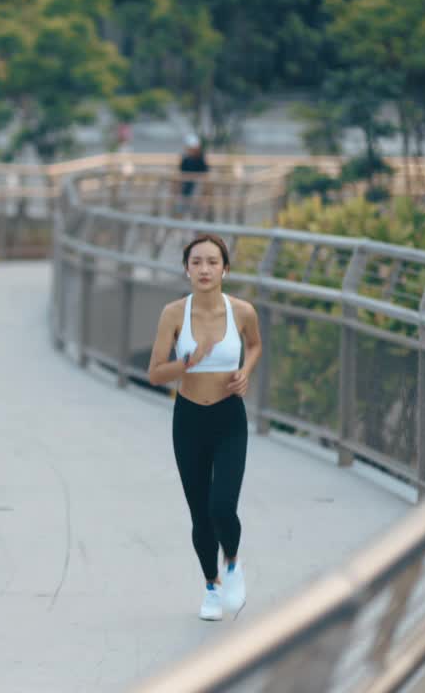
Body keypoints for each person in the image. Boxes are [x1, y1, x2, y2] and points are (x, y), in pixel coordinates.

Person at [147, 233, 263, 621]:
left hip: (229, 418)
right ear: (186, 269)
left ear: (225, 269)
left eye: (212, 262)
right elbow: (154, 372)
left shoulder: (243, 311)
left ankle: (232, 561)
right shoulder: (173, 314)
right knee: (200, 514)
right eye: (196, 262)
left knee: (222, 506)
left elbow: (255, 345)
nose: (204, 269)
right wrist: (187, 363)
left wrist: (245, 372)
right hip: (190, 419)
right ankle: (211, 585)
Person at [178, 134, 209, 200]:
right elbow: (181, 171)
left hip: (197, 184)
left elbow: (205, 172)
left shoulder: (200, 159)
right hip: (187, 183)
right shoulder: (186, 159)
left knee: (196, 190)